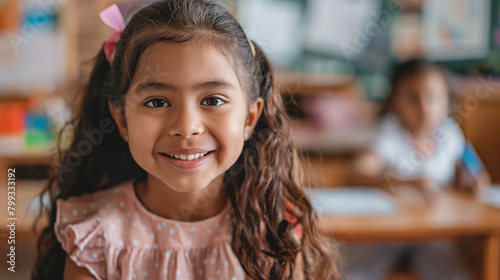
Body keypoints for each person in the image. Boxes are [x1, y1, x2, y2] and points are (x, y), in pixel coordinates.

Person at [31, 1, 339, 279]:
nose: (186, 127)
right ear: (122, 119)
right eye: (157, 102)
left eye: (213, 100)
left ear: (249, 118)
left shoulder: (275, 232)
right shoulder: (96, 235)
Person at [346, 59, 491, 279]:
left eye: (433, 97)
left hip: (436, 233)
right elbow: (357, 173)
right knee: (352, 273)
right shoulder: (389, 134)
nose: (424, 107)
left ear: (447, 102)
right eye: (413, 98)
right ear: (394, 100)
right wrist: (407, 182)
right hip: (387, 232)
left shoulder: (451, 134)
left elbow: (478, 174)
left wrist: (471, 181)